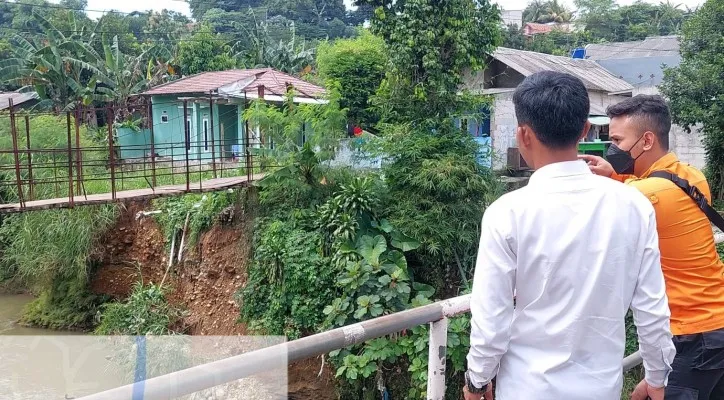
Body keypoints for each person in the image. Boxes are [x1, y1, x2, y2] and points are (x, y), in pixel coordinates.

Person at [463, 72, 675, 400]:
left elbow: (492, 318)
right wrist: (657, 377)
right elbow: (651, 307)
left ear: (523, 134)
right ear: (585, 129)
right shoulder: (634, 205)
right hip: (600, 388)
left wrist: (477, 381)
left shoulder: (508, 212)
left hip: (525, 388)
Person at [581, 94, 724, 400]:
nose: (613, 147)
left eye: (618, 140)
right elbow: (651, 187)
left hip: (691, 333)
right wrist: (614, 173)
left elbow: (633, 199)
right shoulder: (691, 175)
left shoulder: (644, 195)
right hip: (714, 321)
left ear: (646, 140)